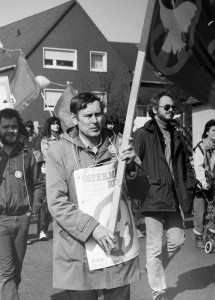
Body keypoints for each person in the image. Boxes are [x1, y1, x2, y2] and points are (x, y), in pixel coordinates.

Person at [45, 92, 149, 300]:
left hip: (116, 246)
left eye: (98, 114)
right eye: (88, 115)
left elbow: (141, 191)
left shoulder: (119, 144)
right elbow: (57, 203)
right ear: (74, 118)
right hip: (79, 249)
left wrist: (130, 168)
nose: (95, 121)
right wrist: (93, 228)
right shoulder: (58, 152)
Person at [133, 90, 196, 300]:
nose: (171, 110)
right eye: (166, 107)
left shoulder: (177, 134)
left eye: (172, 107)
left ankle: (154, 268)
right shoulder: (143, 134)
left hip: (173, 196)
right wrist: (144, 183)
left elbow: (185, 165)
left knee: (178, 240)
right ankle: (158, 290)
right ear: (154, 110)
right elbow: (133, 163)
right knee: (153, 246)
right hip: (152, 197)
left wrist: (188, 186)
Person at [0, 108, 45, 300]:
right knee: (6, 273)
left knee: (16, 273)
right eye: (5, 127)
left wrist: (32, 211)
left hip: (22, 219)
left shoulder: (26, 153)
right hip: (1, 221)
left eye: (14, 126)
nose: (10, 130)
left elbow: (39, 183)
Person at [39, 116, 63, 240]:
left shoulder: (64, 138)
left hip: (64, 173)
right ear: (49, 126)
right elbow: (48, 156)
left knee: (64, 200)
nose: (56, 126)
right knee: (47, 202)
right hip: (49, 173)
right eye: (53, 124)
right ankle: (43, 229)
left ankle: (62, 229)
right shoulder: (45, 140)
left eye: (58, 123)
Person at [193, 119, 215, 248]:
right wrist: (203, 181)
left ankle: (211, 236)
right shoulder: (201, 147)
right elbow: (198, 167)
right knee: (199, 211)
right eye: (213, 130)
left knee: (214, 211)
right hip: (201, 184)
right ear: (207, 132)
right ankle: (198, 237)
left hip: (214, 183)